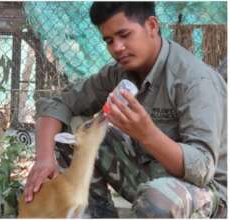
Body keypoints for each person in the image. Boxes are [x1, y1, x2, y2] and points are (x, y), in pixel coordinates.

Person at [24, 2, 227, 218]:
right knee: (73, 133)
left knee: (157, 199)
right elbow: (59, 104)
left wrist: (147, 134)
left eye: (124, 35)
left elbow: (202, 169)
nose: (117, 47)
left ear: (152, 26)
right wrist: (44, 159)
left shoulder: (194, 80)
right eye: (109, 40)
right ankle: (97, 214)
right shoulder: (119, 73)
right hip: (148, 179)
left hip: (204, 196)